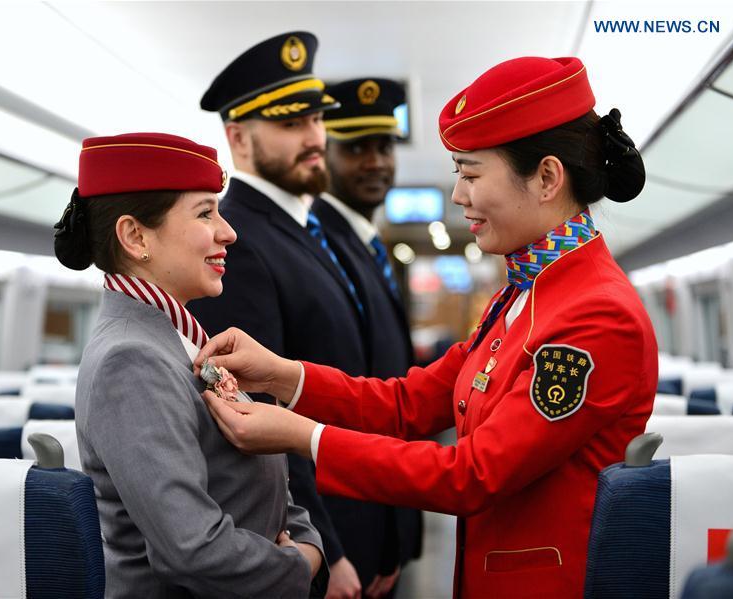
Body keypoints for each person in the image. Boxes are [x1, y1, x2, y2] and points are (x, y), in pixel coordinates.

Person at [195, 56, 658, 598]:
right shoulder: (524, 292)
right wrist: (283, 376)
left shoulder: (598, 315)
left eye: (469, 173)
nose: (458, 195)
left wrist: (303, 437)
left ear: (547, 178)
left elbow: (473, 474)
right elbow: (407, 404)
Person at [53, 132, 326, 598]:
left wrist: (307, 540)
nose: (229, 231)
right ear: (135, 236)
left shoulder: (177, 338)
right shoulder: (130, 359)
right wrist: (299, 564)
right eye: (205, 213)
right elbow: (192, 548)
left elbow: (265, 479)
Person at [190, 31, 401, 599]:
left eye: (316, 121)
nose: (314, 138)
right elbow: (258, 417)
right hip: (320, 537)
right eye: (291, 124)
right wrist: (329, 551)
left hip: (365, 514)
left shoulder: (307, 232)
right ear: (238, 138)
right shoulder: (238, 242)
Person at [313, 77, 423, 597]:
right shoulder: (320, 246)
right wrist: (333, 547)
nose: (376, 161)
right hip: (345, 521)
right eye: (356, 148)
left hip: (379, 518)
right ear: (323, 155)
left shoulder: (368, 246)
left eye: (383, 146)